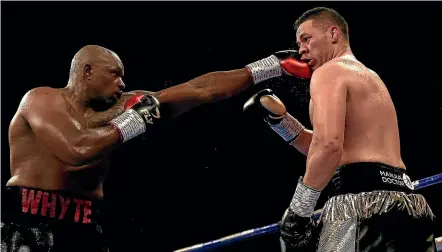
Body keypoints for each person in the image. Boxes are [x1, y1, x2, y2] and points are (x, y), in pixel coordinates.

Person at [2, 44, 311, 252]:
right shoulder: (41, 100)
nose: (123, 83)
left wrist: (271, 66)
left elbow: (200, 90)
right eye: (115, 74)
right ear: (87, 72)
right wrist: (132, 122)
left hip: (84, 227)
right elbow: (77, 149)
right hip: (27, 222)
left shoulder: (127, 104)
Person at [243, 7, 436, 252]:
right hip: (409, 207)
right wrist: (282, 122)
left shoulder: (328, 71)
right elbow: (337, 146)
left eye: (306, 38)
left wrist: (300, 210)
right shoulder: (370, 76)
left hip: (360, 207)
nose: (301, 48)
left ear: (333, 33)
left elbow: (329, 146)